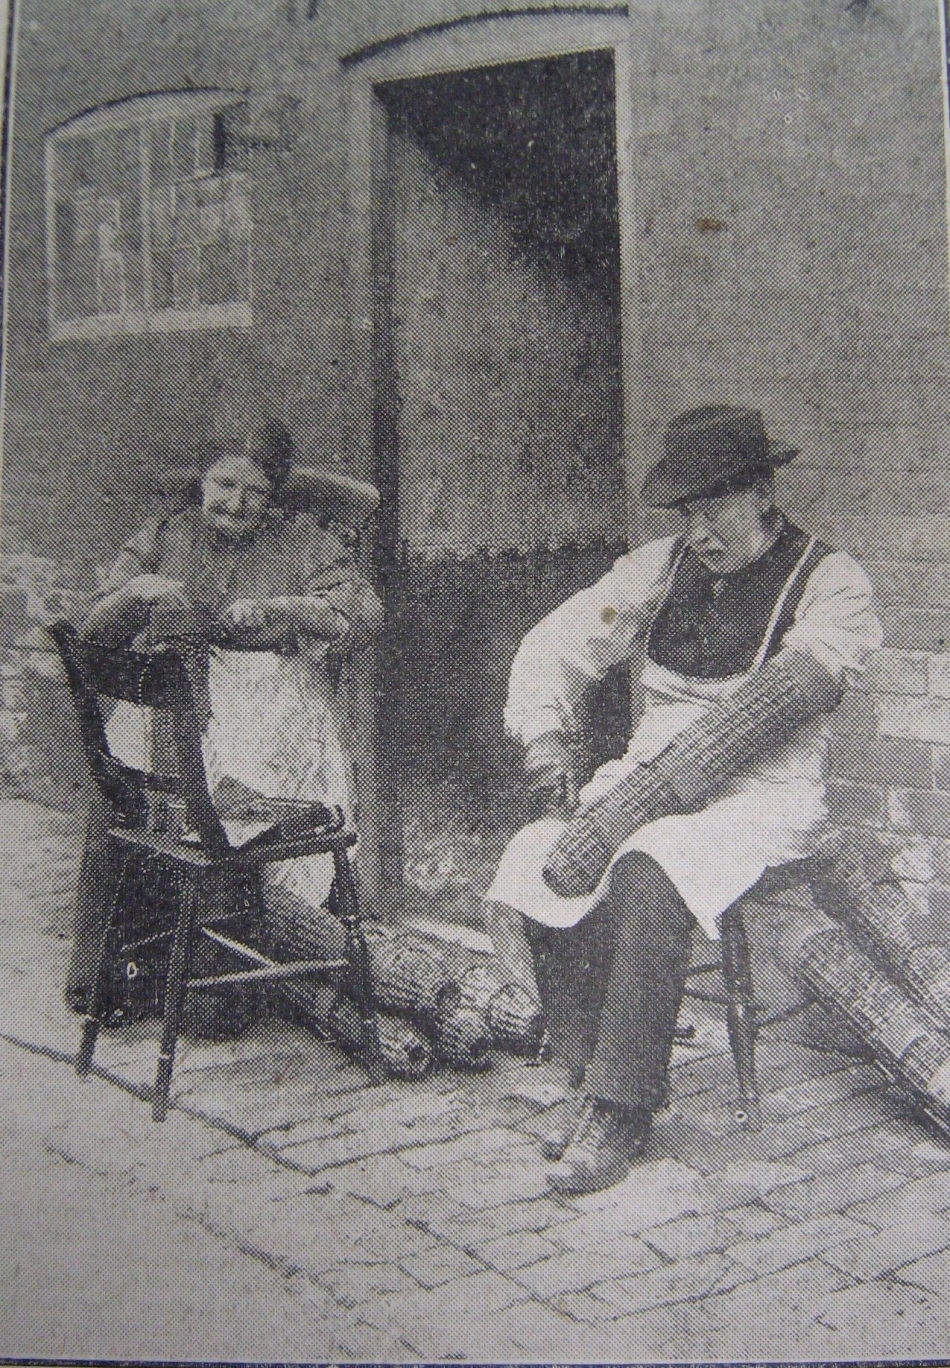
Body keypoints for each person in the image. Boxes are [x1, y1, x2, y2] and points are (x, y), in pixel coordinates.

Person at [485, 404, 882, 1194]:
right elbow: (559, 641)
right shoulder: (659, 568)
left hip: (762, 791)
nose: (698, 530)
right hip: (652, 767)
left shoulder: (831, 580)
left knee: (647, 865)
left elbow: (769, 710)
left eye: (715, 507)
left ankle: (624, 1107)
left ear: (764, 492)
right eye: (687, 511)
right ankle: (588, 1075)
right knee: (539, 856)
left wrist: (627, 812)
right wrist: (545, 741)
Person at [65, 420, 383, 1011]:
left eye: (254, 493)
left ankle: (219, 985)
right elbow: (92, 628)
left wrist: (285, 606)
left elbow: (362, 614)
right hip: (173, 709)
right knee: (139, 785)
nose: (235, 503)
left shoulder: (302, 541)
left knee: (242, 792)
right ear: (202, 483)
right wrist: (141, 591)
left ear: (272, 503)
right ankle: (114, 974)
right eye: (223, 484)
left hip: (267, 707)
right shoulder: (168, 533)